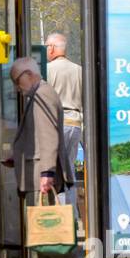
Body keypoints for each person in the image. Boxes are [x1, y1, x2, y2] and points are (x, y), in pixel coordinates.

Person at [7, 56, 84, 258]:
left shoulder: (43, 94)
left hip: (41, 174)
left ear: (28, 74)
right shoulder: (38, 93)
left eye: (17, 82)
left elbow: (49, 135)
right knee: (42, 232)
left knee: (48, 231)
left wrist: (47, 173)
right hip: (36, 171)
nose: (17, 88)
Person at [45, 33, 83, 193]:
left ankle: (61, 214)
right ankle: (71, 213)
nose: (46, 49)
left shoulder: (47, 70)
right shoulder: (79, 70)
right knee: (69, 172)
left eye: (47, 46)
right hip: (75, 125)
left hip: (57, 125)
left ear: (52, 48)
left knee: (56, 174)